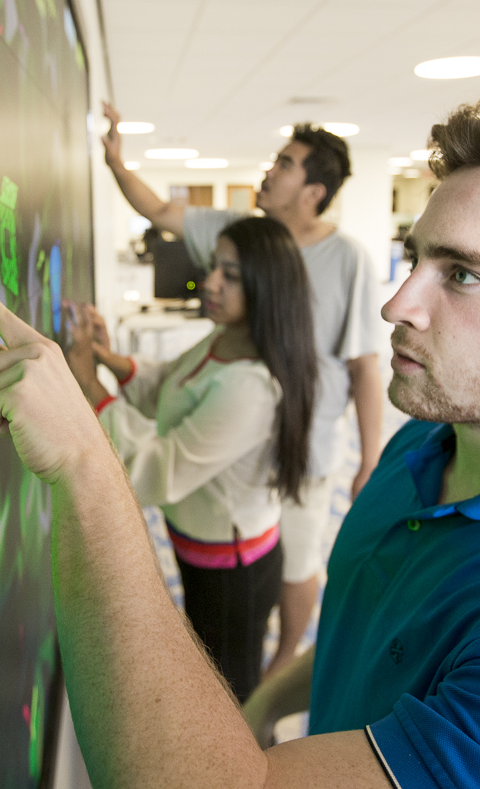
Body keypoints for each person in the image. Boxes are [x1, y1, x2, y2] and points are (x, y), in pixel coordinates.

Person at [0, 100, 480, 789]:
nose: (399, 303)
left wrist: (82, 463)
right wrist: (267, 701)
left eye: (465, 275)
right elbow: (376, 643)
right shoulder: (424, 452)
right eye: (418, 259)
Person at [102, 103, 383, 678]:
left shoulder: (345, 257)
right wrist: (114, 161)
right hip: (237, 442)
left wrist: (370, 456)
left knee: (292, 564)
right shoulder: (241, 235)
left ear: (313, 191)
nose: (270, 171)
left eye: (285, 164)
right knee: (247, 557)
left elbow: (364, 365)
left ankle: (277, 673)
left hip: (303, 445)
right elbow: (158, 208)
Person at [62, 216, 317, 702]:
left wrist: (89, 387)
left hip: (231, 568)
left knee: (229, 691)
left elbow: (162, 467)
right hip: (200, 542)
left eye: (232, 274)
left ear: (267, 288)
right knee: (211, 668)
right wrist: (105, 359)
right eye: (214, 266)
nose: (211, 282)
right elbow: (175, 385)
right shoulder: (225, 340)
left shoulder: (252, 386)